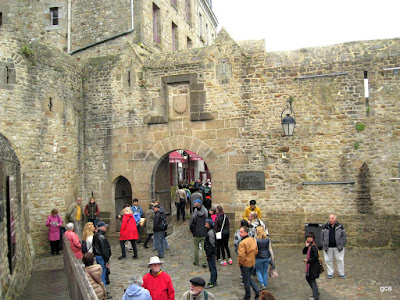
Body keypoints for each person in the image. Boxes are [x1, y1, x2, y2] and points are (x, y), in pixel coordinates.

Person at [321, 214, 347, 279]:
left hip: (338, 247)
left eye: (332, 218)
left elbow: (344, 236)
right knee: (328, 260)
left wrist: (342, 244)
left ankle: (341, 273)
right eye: (329, 218)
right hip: (328, 247)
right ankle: (330, 273)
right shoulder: (325, 227)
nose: (330, 220)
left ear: (335, 219)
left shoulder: (340, 227)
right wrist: (323, 244)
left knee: (340, 260)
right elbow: (322, 236)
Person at [238, 226, 259, 300]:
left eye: (241, 232)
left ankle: (247, 296)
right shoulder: (252, 239)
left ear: (246, 232)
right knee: (249, 278)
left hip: (245, 264)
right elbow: (256, 251)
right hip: (252, 262)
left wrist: (241, 263)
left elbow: (241, 255)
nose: (240, 233)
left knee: (246, 281)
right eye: (240, 232)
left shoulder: (242, 243)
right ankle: (257, 291)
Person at [93, 221, 112, 297]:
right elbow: (104, 250)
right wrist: (107, 261)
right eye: (105, 226)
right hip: (101, 257)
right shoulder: (101, 237)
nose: (106, 227)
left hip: (98, 256)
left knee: (101, 273)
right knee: (103, 274)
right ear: (101, 228)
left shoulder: (96, 235)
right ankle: (103, 293)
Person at [189, 199, 208, 267]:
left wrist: (193, 231)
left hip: (196, 233)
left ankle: (196, 261)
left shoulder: (195, 214)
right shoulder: (205, 212)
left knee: (196, 248)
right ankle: (204, 262)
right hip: (203, 232)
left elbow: (191, 224)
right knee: (203, 249)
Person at [303, 232, 320, 300]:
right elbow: (304, 252)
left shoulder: (313, 247)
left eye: (310, 237)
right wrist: (306, 246)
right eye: (307, 237)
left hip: (313, 267)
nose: (308, 239)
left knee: (312, 279)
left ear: (313, 239)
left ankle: (316, 296)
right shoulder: (309, 246)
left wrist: (308, 261)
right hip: (309, 267)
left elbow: (316, 257)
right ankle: (316, 292)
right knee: (308, 278)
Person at [204, 219, 217, 289]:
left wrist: (208, 254)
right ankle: (213, 280)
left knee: (212, 268)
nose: (205, 224)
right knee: (212, 267)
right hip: (210, 252)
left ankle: (213, 281)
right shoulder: (209, 232)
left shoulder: (210, 233)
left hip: (210, 253)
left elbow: (212, 244)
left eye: (206, 223)